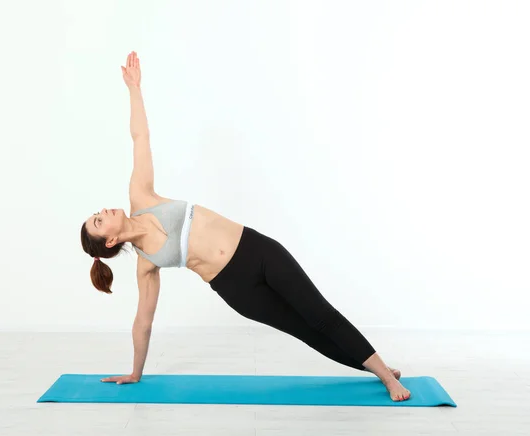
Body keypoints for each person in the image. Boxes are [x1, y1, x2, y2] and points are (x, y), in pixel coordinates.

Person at [80, 52, 411, 402]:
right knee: (306, 331)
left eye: (97, 213)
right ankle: (378, 369)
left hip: (258, 251)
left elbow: (140, 138)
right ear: (112, 239)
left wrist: (134, 89)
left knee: (320, 313)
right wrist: (136, 372)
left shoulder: (142, 196)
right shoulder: (146, 264)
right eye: (99, 221)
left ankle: (386, 375)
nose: (103, 211)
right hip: (236, 288)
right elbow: (143, 322)